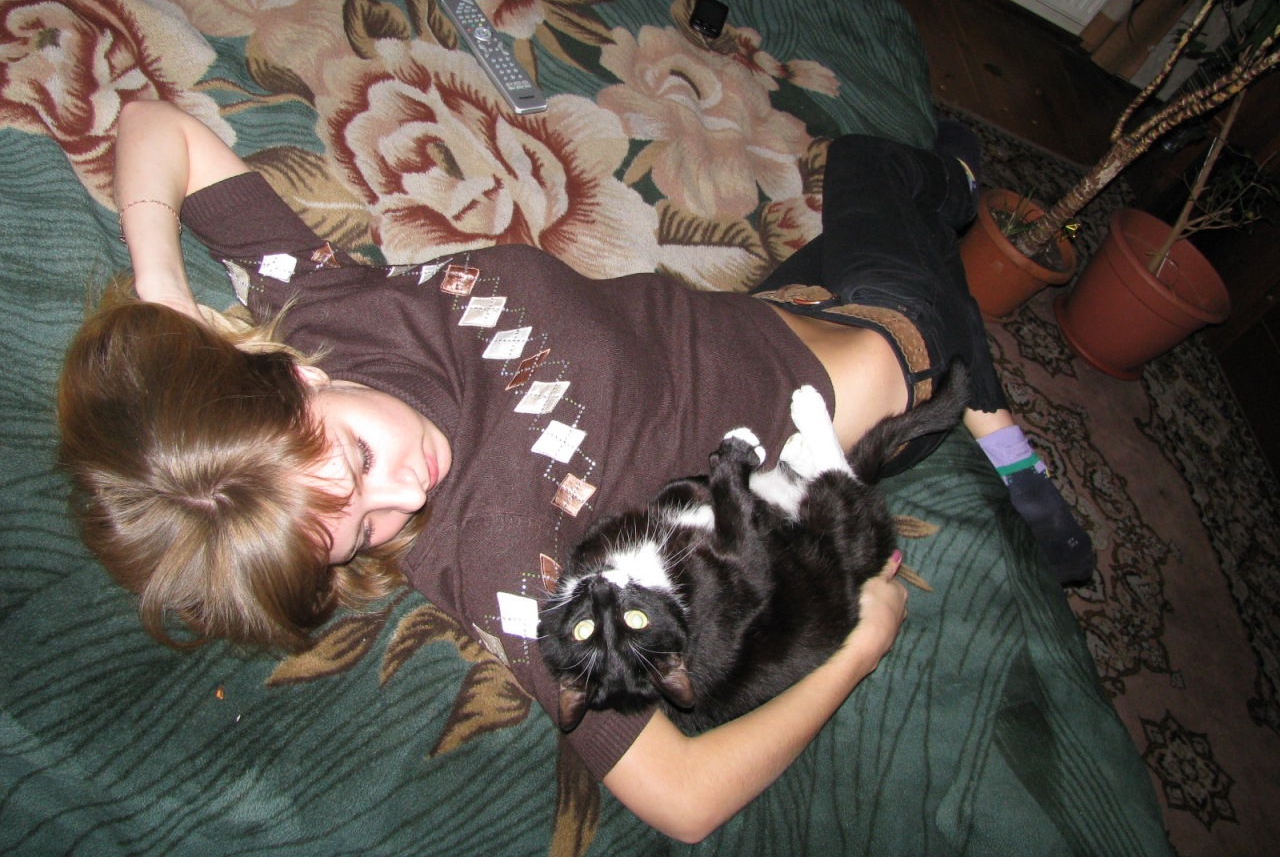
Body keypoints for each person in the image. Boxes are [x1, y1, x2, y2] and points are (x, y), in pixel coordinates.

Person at [57, 99, 1090, 843]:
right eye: (361, 532)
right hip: (890, 359)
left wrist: (161, 293)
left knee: (891, 201)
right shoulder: (497, 566)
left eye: (359, 462)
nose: (403, 496)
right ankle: (977, 374)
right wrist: (861, 646)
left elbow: (155, 125)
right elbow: (682, 800)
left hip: (774, 304)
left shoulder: (326, 308)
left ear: (294, 375)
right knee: (885, 180)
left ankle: (976, 346)